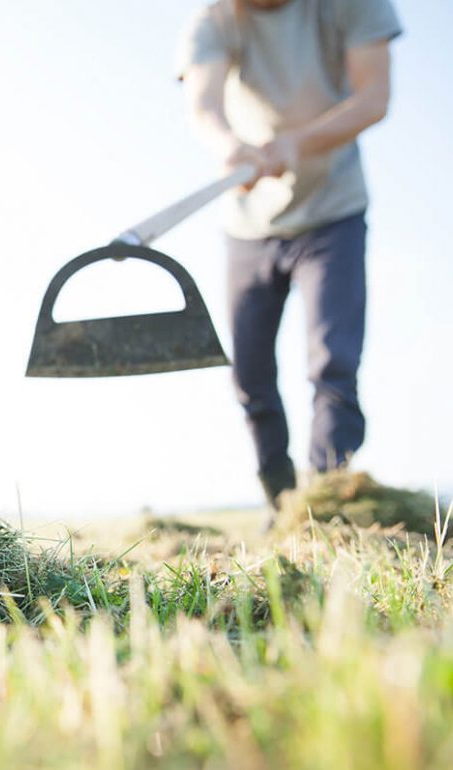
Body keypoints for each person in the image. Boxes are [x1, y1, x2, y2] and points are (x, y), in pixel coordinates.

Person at [176, 0, 402, 511]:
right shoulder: (215, 18)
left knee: (333, 365)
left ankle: (325, 504)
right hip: (249, 224)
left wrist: (297, 142)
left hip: (333, 211)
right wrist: (229, 146)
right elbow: (204, 104)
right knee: (251, 377)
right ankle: (282, 506)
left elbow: (374, 97)